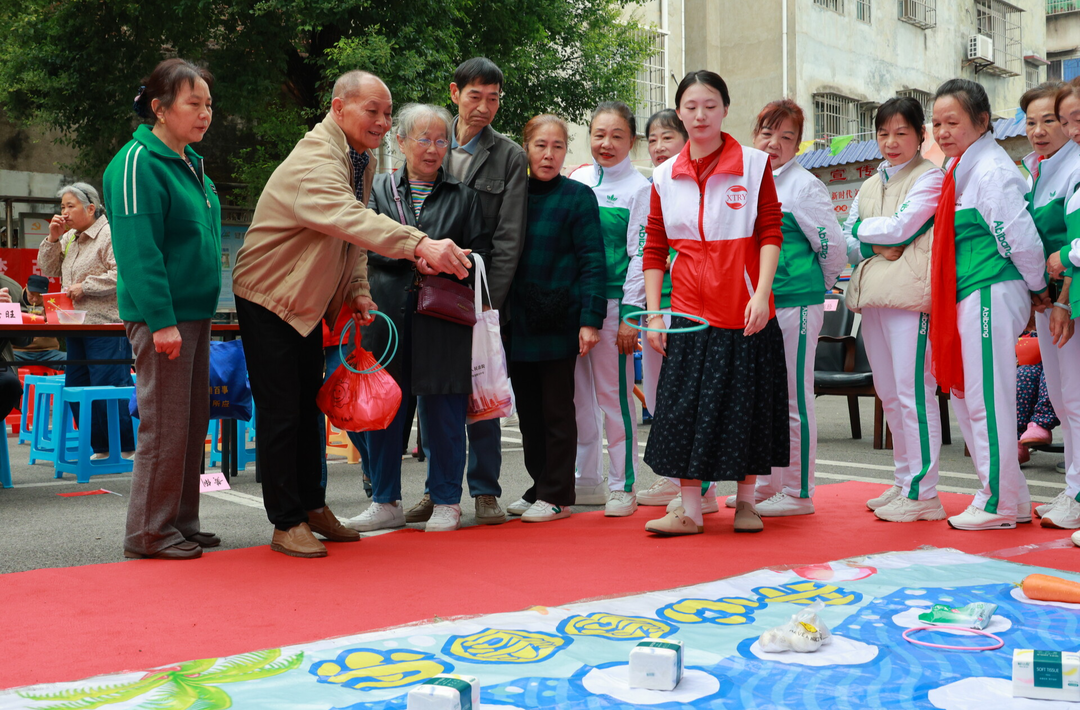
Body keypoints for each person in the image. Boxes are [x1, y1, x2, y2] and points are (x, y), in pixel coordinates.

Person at [232, 71, 472, 558]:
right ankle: (286, 522)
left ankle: (311, 506)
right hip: (269, 296)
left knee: (306, 409)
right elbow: (350, 217)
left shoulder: (356, 157)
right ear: (339, 108)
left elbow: (351, 239)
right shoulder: (316, 158)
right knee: (282, 413)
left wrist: (358, 290)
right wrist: (419, 242)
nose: (383, 122)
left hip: (305, 300)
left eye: (387, 113)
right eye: (373, 111)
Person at [641, 70, 788, 536]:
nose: (700, 115)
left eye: (709, 105)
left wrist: (761, 294)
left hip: (743, 309)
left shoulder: (753, 164)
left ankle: (746, 503)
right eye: (690, 106)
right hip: (686, 312)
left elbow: (769, 231)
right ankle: (689, 509)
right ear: (680, 113)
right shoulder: (664, 175)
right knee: (682, 411)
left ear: (726, 108)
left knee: (746, 409)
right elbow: (654, 249)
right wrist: (653, 313)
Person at [343, 103, 491, 533]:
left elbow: (483, 256)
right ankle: (385, 499)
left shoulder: (464, 197)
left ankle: (447, 500)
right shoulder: (380, 191)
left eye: (441, 139)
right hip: (388, 316)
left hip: (443, 320)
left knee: (444, 412)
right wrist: (414, 253)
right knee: (385, 410)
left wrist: (449, 261)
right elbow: (363, 244)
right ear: (401, 141)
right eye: (423, 139)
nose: (432, 148)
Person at [104, 58, 221, 560]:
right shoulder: (136, 163)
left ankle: (179, 521)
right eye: (193, 103)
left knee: (191, 423)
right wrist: (162, 321)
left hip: (192, 314)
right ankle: (148, 533)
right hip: (164, 318)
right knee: (165, 423)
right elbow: (138, 251)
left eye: (209, 104)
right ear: (159, 107)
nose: (205, 114)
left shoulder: (189, 161)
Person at [405, 57, 528, 527]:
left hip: (479, 299)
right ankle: (439, 492)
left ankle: (485, 491)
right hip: (427, 299)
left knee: (483, 393)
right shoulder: (428, 134)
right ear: (455, 93)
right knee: (436, 397)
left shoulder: (509, 155)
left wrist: (486, 304)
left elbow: (508, 238)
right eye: (475, 96)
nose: (484, 107)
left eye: (493, 99)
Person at [929, 79, 1048, 531]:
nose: (942, 132)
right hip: (973, 293)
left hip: (990, 291)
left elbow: (1019, 238)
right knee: (972, 397)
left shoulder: (991, 172)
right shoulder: (962, 169)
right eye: (937, 123)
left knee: (986, 401)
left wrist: (1037, 288)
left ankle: (995, 499)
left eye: (952, 122)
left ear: (982, 122)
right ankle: (1013, 499)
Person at [736, 99, 846, 517]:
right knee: (765, 397)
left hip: (796, 303)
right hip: (757, 307)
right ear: (754, 136)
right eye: (767, 133)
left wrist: (814, 288)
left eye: (786, 137)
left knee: (794, 398)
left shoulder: (803, 185)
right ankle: (767, 485)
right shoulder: (748, 181)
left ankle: (799, 492)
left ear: (798, 146)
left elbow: (832, 248)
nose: (773, 143)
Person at [843, 96, 947, 523]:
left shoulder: (931, 178)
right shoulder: (871, 183)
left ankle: (924, 493)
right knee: (889, 393)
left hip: (909, 299)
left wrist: (867, 236)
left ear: (921, 136)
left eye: (902, 132)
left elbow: (903, 228)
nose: (891, 141)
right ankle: (904, 481)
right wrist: (873, 243)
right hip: (872, 299)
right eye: (883, 133)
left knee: (912, 393)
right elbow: (847, 238)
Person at [503, 114, 606, 522]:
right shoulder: (515, 194)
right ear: (525, 147)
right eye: (540, 145)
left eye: (557, 146)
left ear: (566, 151)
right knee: (528, 412)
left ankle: (559, 493)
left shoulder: (579, 197)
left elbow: (592, 261)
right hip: (517, 319)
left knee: (558, 411)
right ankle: (538, 484)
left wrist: (590, 319)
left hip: (560, 318)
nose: (548, 154)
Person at [568, 100, 650, 517]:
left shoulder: (640, 189)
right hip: (576, 304)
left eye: (617, 136)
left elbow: (640, 255)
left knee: (614, 398)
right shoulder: (578, 178)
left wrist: (631, 316)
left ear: (631, 141)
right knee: (579, 399)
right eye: (599, 134)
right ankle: (587, 480)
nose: (607, 143)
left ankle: (623, 485)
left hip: (614, 304)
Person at [637, 109, 716, 511]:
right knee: (659, 396)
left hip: (692, 307)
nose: (658, 146)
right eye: (651, 139)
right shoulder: (658, 184)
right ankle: (675, 477)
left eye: (667, 137)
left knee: (691, 396)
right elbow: (648, 250)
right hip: (658, 306)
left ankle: (701, 487)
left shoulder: (702, 181)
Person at [1018, 81, 1080, 529]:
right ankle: (1073, 489)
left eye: (1051, 120)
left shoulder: (1073, 166)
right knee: (1062, 398)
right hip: (1049, 300)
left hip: (1068, 300)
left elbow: (1067, 246)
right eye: (1031, 121)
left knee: (1075, 398)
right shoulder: (1038, 170)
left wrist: (1059, 298)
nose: (1040, 130)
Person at [39, 182, 135, 459]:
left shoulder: (109, 234)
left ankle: (124, 446)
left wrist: (86, 286)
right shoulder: (70, 237)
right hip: (74, 324)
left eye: (71, 206)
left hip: (106, 325)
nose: (65, 213)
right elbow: (48, 269)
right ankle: (101, 447)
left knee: (108, 386)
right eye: (62, 207)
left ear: (91, 208)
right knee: (78, 385)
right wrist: (53, 238)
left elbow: (123, 273)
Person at [1044, 76, 1080, 527]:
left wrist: (1066, 255)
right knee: (1068, 401)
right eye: (1069, 121)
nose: (1074, 130)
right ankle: (1073, 489)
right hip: (1068, 297)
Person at [14, 275, 66, 368]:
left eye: (39, 296)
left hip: (48, 352)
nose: (35, 299)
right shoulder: (14, 300)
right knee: (4, 362)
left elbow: (60, 331)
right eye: (32, 294)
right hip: (18, 351)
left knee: (73, 362)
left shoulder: (52, 304)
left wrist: (49, 321)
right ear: (26, 287)